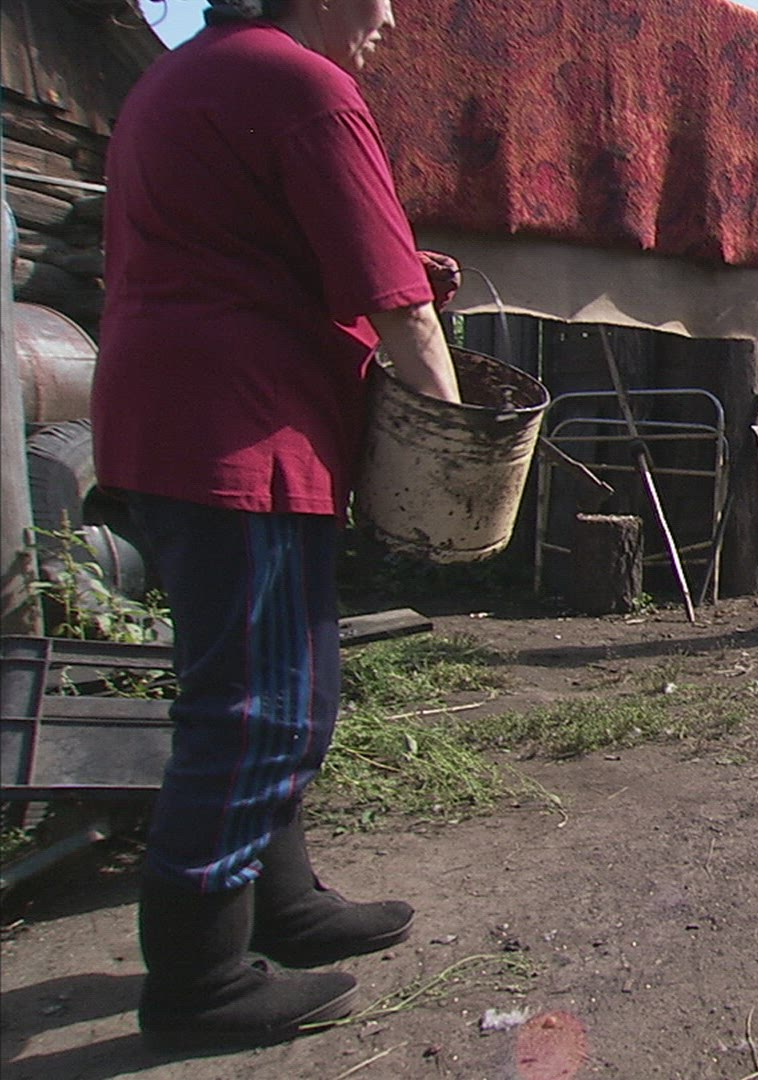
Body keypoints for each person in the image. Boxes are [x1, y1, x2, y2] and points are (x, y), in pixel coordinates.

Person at [92, 0, 461, 1051]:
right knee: (261, 711)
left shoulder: (186, 73)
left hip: (170, 421)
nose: (391, 17)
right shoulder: (304, 86)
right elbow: (397, 304)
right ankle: (199, 984)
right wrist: (454, 436)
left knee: (257, 688)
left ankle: (280, 904)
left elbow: (253, 250)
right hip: (240, 428)